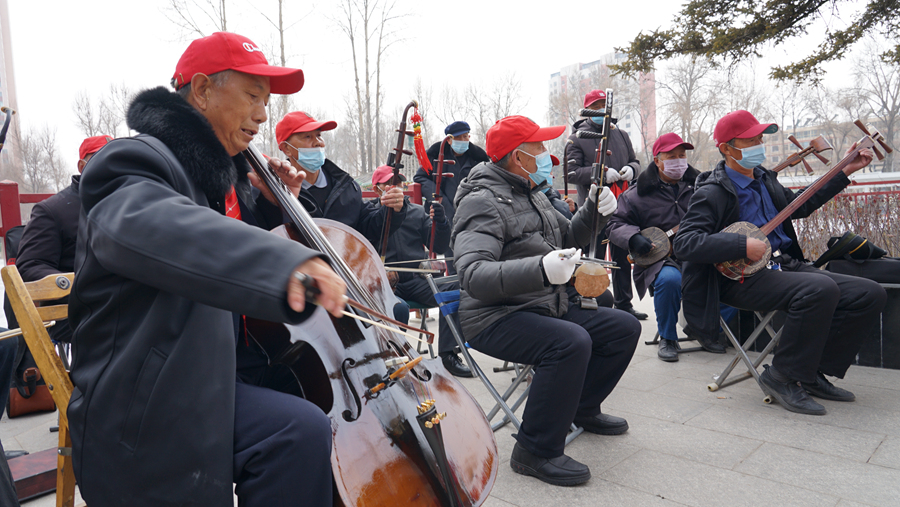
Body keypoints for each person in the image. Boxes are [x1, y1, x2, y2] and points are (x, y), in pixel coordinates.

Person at [68, 32, 348, 506]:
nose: (263, 114)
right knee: (298, 431)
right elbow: (161, 226)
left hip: (220, 372)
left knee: (313, 424)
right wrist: (286, 262)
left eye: (266, 101)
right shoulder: (133, 160)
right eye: (252, 96)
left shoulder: (219, 181)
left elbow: (230, 252)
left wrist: (281, 205)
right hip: (148, 398)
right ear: (201, 90)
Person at [452, 115, 641, 486]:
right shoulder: (481, 202)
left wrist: (593, 211)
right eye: (538, 147)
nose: (545, 153)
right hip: (496, 315)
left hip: (542, 303)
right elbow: (473, 275)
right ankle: (534, 450)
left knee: (623, 326)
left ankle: (582, 407)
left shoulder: (532, 192)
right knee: (569, 342)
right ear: (516, 157)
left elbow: (567, 236)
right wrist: (540, 268)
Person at [674, 110, 886, 415]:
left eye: (760, 138)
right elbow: (685, 243)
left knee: (869, 294)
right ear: (726, 149)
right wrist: (741, 244)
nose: (759, 144)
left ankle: (811, 372)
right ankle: (781, 375)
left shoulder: (764, 180)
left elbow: (802, 205)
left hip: (782, 266)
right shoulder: (713, 191)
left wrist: (845, 171)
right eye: (750, 140)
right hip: (741, 278)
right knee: (819, 288)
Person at [607, 133, 736, 361]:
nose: (678, 161)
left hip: (700, 253)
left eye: (682, 155)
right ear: (657, 160)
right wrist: (633, 237)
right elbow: (615, 223)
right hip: (660, 259)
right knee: (669, 280)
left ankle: (706, 330)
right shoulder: (635, 195)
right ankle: (668, 337)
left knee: (736, 275)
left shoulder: (703, 187)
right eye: (671, 156)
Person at [365, 165, 471, 377]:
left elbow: (439, 246)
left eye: (398, 183)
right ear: (377, 189)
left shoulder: (416, 212)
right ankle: (393, 360)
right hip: (384, 284)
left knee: (459, 290)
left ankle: (448, 354)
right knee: (395, 309)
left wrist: (440, 221)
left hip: (417, 280)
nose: (394, 187)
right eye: (388, 184)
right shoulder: (369, 215)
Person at [15, 135, 112, 344]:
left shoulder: (127, 204)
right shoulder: (52, 210)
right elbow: (30, 266)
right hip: (77, 318)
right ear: (82, 165)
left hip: (126, 311)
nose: (110, 167)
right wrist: (81, 284)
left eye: (116, 160)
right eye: (101, 159)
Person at [566, 89, 646, 320]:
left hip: (622, 208)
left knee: (622, 257)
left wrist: (632, 169)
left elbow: (636, 161)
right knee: (593, 257)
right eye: (597, 106)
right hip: (594, 209)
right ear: (588, 110)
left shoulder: (621, 134)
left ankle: (624, 304)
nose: (602, 110)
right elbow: (571, 172)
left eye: (605, 105)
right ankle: (593, 300)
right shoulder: (577, 137)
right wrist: (600, 173)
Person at [276, 111, 406, 246]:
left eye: (319, 136)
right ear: (287, 148)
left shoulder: (345, 186)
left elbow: (368, 227)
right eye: (308, 137)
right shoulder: (276, 190)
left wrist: (393, 210)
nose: (318, 143)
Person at [414, 120, 490, 274]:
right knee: (451, 255)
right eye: (459, 138)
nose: (464, 141)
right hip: (445, 213)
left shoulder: (477, 159)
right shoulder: (436, 157)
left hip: (471, 214)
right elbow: (420, 178)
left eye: (466, 136)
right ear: (449, 140)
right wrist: (437, 197)